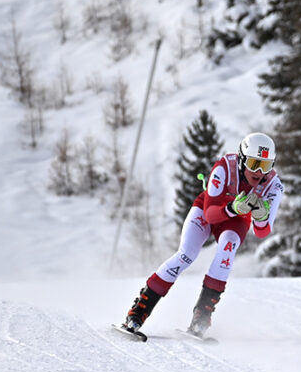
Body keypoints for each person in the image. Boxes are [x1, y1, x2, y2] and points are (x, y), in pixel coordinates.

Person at [120, 132, 285, 338]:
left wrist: (261, 217)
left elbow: (262, 231)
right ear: (242, 160)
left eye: (266, 165)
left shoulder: (274, 185)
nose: (260, 172)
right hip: (212, 209)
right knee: (186, 255)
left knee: (227, 249)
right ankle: (138, 311)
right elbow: (210, 214)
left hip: (237, 218)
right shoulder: (224, 168)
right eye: (254, 163)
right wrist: (233, 207)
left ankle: (202, 317)